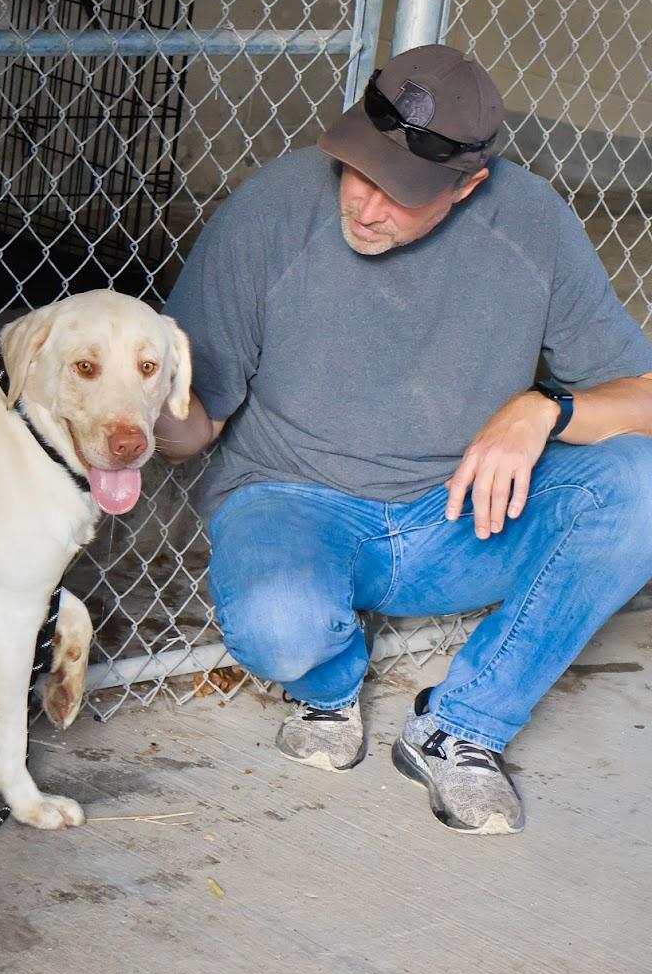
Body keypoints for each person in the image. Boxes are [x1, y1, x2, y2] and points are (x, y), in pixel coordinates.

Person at [156, 43, 652, 835]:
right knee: (281, 630)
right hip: (293, 498)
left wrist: (543, 409)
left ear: (468, 186)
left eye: (401, 191)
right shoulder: (270, 209)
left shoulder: (532, 224)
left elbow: (644, 397)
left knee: (640, 480)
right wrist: (128, 410)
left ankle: (462, 726)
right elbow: (196, 424)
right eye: (358, 169)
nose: (366, 204)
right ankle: (328, 686)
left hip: (458, 517)